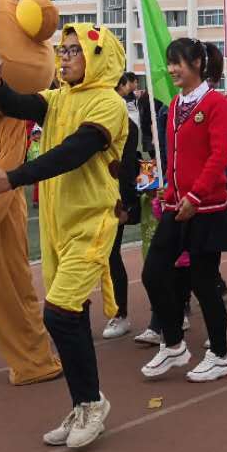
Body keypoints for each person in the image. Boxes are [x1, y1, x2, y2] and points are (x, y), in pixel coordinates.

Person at [0, 22, 130, 452]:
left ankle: (93, 404)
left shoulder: (108, 104)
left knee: (59, 314)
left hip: (92, 223)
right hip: (57, 226)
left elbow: (73, 153)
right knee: (72, 315)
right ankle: (85, 402)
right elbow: (16, 103)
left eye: (72, 51)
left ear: (97, 58)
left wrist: (15, 177)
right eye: (61, 51)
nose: (63, 58)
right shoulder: (58, 98)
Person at [139, 38, 227, 384]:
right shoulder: (176, 104)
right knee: (152, 272)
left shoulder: (215, 102)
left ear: (197, 61)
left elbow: (218, 156)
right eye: (169, 63)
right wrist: (169, 194)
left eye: (177, 62)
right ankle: (174, 344)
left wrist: (195, 196)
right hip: (176, 205)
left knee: (203, 282)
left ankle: (221, 356)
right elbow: (175, 158)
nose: (171, 70)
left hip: (205, 207)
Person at [100, 83, 142, 341]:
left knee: (111, 255)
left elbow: (126, 168)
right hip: (84, 197)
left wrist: (127, 204)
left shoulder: (128, 126)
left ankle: (120, 314)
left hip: (112, 199)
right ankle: (73, 312)